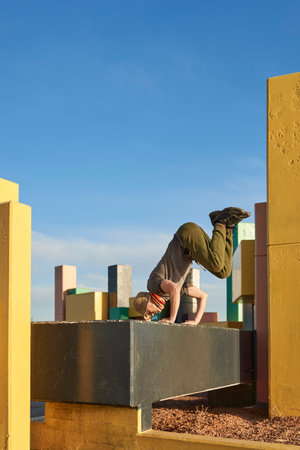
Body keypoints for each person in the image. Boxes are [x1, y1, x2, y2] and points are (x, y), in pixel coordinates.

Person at [133, 207, 250, 326]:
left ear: (147, 301)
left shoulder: (153, 285)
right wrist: (195, 321)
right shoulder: (171, 294)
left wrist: (171, 319)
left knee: (216, 265)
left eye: (148, 312)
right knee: (223, 272)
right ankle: (228, 228)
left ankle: (219, 222)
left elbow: (173, 288)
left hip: (186, 236)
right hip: (190, 244)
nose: (151, 315)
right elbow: (203, 296)